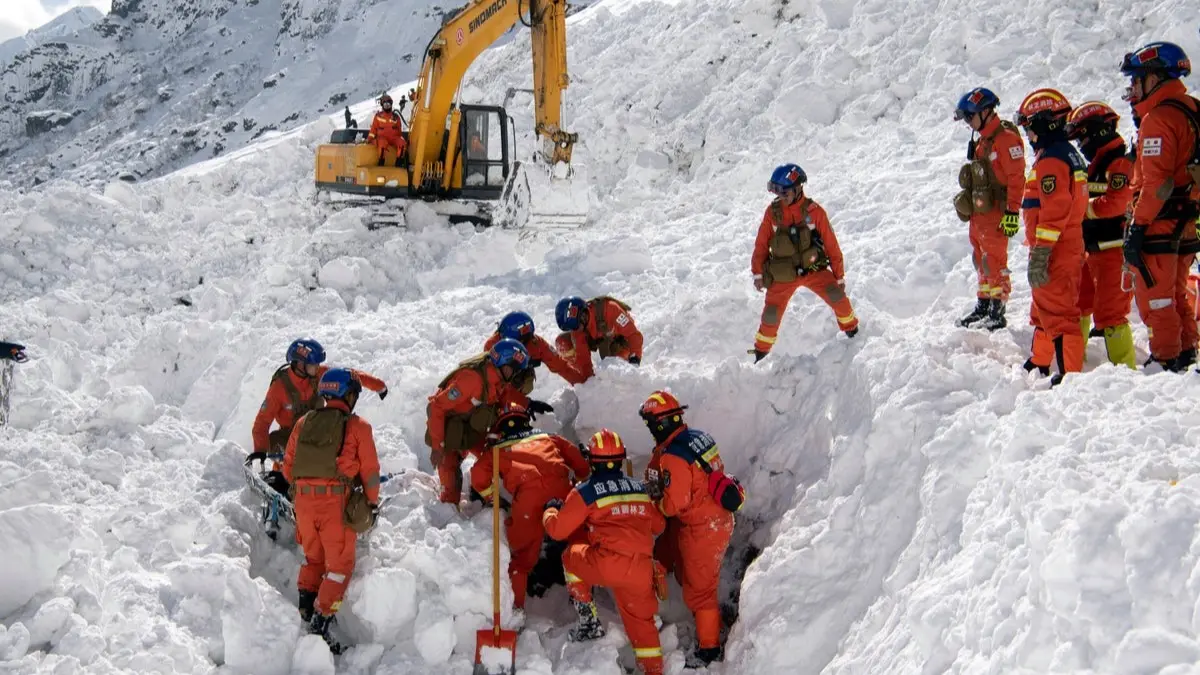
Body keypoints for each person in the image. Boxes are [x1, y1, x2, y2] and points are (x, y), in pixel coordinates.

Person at [543, 429, 666, 675]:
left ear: (590, 459)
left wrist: (550, 511)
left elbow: (557, 531)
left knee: (570, 556)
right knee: (642, 624)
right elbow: (659, 526)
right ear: (622, 459)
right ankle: (654, 669)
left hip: (607, 564)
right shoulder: (639, 489)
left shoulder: (586, 491)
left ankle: (589, 621)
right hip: (641, 569)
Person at [282, 368, 381, 650]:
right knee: (339, 567)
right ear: (348, 395)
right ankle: (320, 623)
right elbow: (371, 472)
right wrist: (371, 502)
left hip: (302, 502)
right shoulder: (358, 426)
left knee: (315, 559)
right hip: (334, 503)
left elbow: (288, 467)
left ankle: (305, 608)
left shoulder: (304, 422)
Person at [1119, 41, 1200, 371]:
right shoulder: (1193, 109)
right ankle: (1185, 351)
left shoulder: (1159, 119)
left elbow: (1156, 183)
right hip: (1188, 219)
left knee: (1157, 297)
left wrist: (1137, 227)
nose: (1133, 89)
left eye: (1137, 80)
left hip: (1161, 223)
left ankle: (1165, 359)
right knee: (1178, 293)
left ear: (1154, 78)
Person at [639, 391, 734, 667]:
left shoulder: (674, 457)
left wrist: (655, 505)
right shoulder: (696, 437)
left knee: (701, 592)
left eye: (650, 425)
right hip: (714, 516)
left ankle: (709, 650)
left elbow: (674, 505)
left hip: (704, 528)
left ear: (659, 425)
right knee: (681, 564)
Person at [469, 402, 590, 610]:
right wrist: (579, 482)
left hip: (528, 501)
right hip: (562, 493)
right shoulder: (548, 437)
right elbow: (580, 463)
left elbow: (477, 475)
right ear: (526, 419)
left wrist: (492, 498)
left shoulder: (497, 449)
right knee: (577, 542)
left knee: (522, 557)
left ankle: (516, 608)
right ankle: (584, 598)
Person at [1015, 88, 1088, 385]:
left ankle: (1070, 376)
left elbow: (1055, 209)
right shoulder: (1066, 153)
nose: (1029, 135)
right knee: (1044, 307)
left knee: (1058, 313)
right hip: (1064, 244)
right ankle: (1041, 360)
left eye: (1030, 127)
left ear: (1046, 124)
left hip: (1055, 248)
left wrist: (1042, 252)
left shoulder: (1052, 160)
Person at [750, 163, 859, 362]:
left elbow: (831, 245)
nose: (780, 196)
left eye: (784, 192)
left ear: (798, 188)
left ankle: (854, 333)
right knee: (770, 316)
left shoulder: (815, 212)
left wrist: (839, 275)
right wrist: (758, 273)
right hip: (783, 274)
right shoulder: (772, 213)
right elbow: (761, 244)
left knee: (839, 298)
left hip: (813, 270)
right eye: (777, 192)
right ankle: (760, 353)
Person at [248, 338, 387, 493]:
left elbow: (349, 376)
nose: (318, 367)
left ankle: (344, 482)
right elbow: (262, 422)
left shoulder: (317, 374)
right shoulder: (279, 387)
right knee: (289, 454)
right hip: (289, 439)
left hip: (318, 433)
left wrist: (378, 386)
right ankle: (285, 481)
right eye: (314, 364)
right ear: (300, 364)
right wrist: (259, 450)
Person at [424, 339, 541, 504]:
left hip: (472, 429)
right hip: (448, 434)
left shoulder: (498, 378)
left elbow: (507, 395)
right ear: (505, 365)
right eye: (516, 370)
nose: (517, 376)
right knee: (450, 495)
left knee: (499, 459)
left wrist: (528, 404)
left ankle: (485, 491)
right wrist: (437, 447)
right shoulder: (471, 380)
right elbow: (435, 407)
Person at [1065, 101, 1137, 367]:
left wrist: (1082, 209)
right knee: (1079, 304)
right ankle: (1073, 361)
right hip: (1090, 247)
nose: (1081, 143)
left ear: (1097, 131)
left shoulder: (1120, 163)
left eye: (1082, 135)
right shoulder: (1095, 163)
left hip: (1114, 249)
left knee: (1111, 312)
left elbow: (1116, 203)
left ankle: (1126, 369)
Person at [952, 87, 1028, 330]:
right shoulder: (983, 139)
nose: (968, 123)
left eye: (970, 117)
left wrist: (1013, 212)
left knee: (995, 260)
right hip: (980, 213)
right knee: (981, 259)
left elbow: (1017, 178)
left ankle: (997, 309)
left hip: (997, 212)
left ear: (985, 112)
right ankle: (983, 304)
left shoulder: (1005, 139)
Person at [484, 311, 585, 388]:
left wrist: (584, 384)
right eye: (501, 335)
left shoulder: (537, 344)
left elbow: (560, 365)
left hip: (519, 383)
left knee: (525, 379)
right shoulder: (492, 346)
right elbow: (490, 383)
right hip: (500, 387)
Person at [554, 295, 644, 381]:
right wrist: (589, 383)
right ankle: (582, 381)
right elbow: (583, 358)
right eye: (575, 327)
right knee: (563, 342)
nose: (577, 329)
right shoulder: (578, 329)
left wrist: (634, 361)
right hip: (600, 341)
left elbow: (634, 336)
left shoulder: (611, 309)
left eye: (583, 316)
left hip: (621, 344)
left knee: (613, 374)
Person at [368, 93, 406, 167]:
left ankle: (398, 164)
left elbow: (399, 130)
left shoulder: (396, 117)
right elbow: (373, 129)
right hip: (382, 138)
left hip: (394, 138)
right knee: (382, 144)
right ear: (382, 105)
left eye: (388, 104)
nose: (387, 106)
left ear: (391, 105)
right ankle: (381, 163)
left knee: (402, 144)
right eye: (385, 105)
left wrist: (398, 139)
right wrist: (370, 139)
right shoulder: (378, 116)